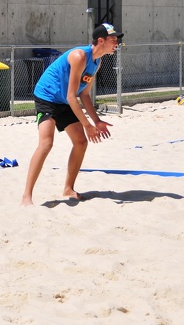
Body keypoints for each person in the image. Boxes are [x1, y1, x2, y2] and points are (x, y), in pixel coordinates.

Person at [21, 23, 122, 206]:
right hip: (47, 98)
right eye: (113, 39)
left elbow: (84, 94)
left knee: (81, 142)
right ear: (101, 40)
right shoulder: (79, 56)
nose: (117, 42)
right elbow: (71, 96)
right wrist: (87, 125)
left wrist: (96, 121)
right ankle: (26, 196)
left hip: (65, 101)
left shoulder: (97, 61)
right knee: (46, 143)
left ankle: (68, 188)